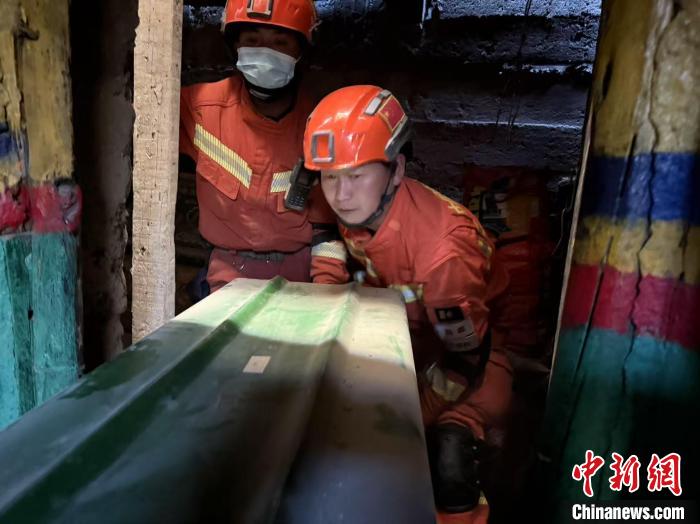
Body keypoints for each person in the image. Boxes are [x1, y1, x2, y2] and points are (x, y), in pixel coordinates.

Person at [303, 85, 514, 523]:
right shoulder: (356, 205)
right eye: (330, 177)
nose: (340, 195)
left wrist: (414, 417)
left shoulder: (444, 254)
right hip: (403, 343)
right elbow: (326, 230)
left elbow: (466, 360)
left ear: (397, 169)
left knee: (447, 468)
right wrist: (326, 296)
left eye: (356, 175)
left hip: (471, 363)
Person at [179, 0, 347, 295]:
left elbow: (328, 232)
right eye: (253, 40)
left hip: (300, 278)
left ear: (302, 51)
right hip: (226, 276)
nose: (266, 53)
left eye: (280, 42)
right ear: (234, 46)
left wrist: (326, 294)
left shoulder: (322, 126)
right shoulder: (200, 107)